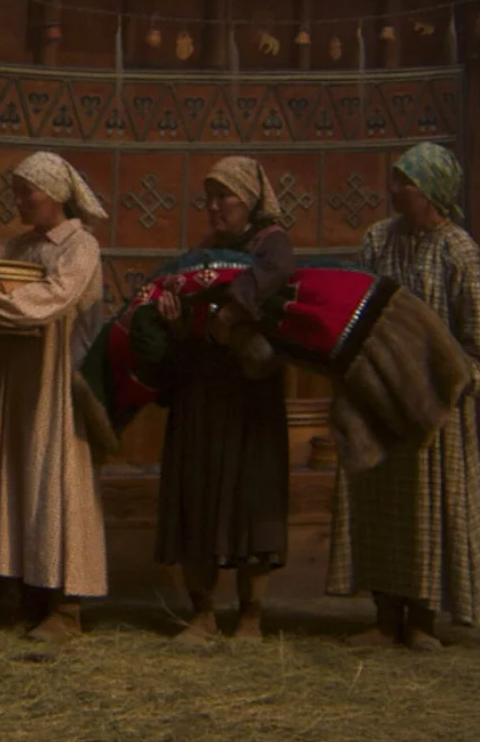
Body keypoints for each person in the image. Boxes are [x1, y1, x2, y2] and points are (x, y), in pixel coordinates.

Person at [327, 142, 480, 651]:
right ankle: (385, 618)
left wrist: (450, 384)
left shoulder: (457, 250)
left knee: (427, 510)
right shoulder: (377, 239)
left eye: (407, 182)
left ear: (434, 192)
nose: (395, 189)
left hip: (433, 408)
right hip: (380, 399)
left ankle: (421, 620)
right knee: (381, 505)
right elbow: (358, 306)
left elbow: (478, 333)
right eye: (396, 179)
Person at [0, 151, 108, 643]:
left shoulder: (80, 246)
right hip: (17, 380)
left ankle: (67, 608)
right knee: (21, 476)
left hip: (57, 381)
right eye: (15, 192)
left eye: (27, 192)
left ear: (55, 194)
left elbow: (54, 296)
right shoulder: (19, 246)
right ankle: (31, 596)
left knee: (56, 479)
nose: (18, 201)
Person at [151, 156, 295, 644]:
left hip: (250, 395)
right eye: (208, 197)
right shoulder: (203, 253)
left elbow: (276, 274)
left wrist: (232, 310)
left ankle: (251, 617)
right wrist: (175, 318)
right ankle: (203, 614)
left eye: (224, 196)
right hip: (201, 391)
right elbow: (189, 314)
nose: (214, 206)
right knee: (198, 494)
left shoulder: (271, 243)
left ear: (249, 199)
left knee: (252, 497)